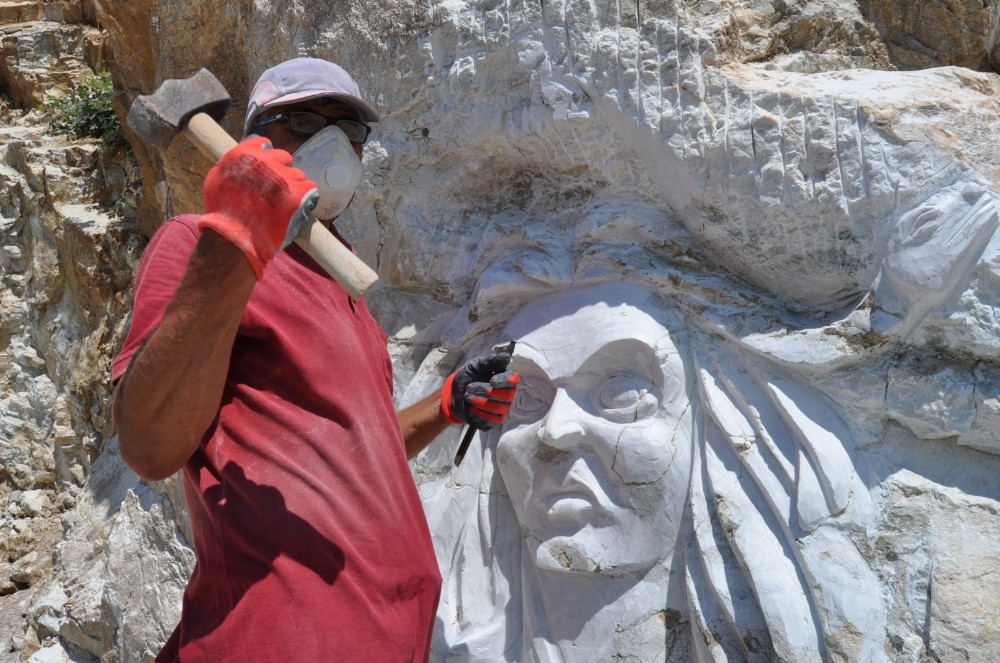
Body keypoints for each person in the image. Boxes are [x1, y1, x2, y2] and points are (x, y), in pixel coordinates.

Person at [111, 57, 519, 662]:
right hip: (277, 635)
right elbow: (148, 447)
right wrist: (236, 236)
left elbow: (354, 456)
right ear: (254, 142)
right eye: (302, 119)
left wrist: (444, 406)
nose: (332, 143)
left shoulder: (342, 286)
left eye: (351, 130)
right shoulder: (200, 241)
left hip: (386, 633)